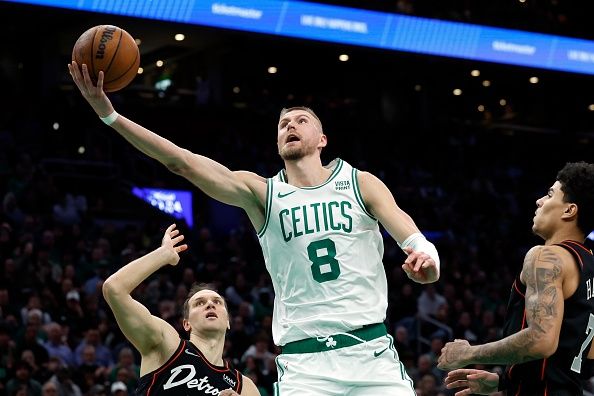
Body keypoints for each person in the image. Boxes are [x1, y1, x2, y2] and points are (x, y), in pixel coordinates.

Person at [69, 61, 441, 394]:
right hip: (304, 364)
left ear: (322, 140)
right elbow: (180, 161)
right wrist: (111, 116)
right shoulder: (263, 194)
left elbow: (417, 244)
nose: (290, 126)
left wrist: (427, 264)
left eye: (301, 120)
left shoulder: (361, 183)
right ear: (278, 143)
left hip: (371, 353)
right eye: (283, 124)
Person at [438, 162, 594, 395]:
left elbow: (541, 340)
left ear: (569, 210)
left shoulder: (546, 256)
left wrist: (467, 353)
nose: (539, 201)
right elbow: (587, 361)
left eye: (550, 194)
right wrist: (505, 382)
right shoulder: (589, 265)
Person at [101, 224, 260, 396]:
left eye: (217, 302)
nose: (210, 304)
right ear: (186, 323)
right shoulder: (166, 345)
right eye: (199, 303)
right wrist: (163, 254)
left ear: (228, 321)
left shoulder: (244, 387)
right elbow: (114, 289)